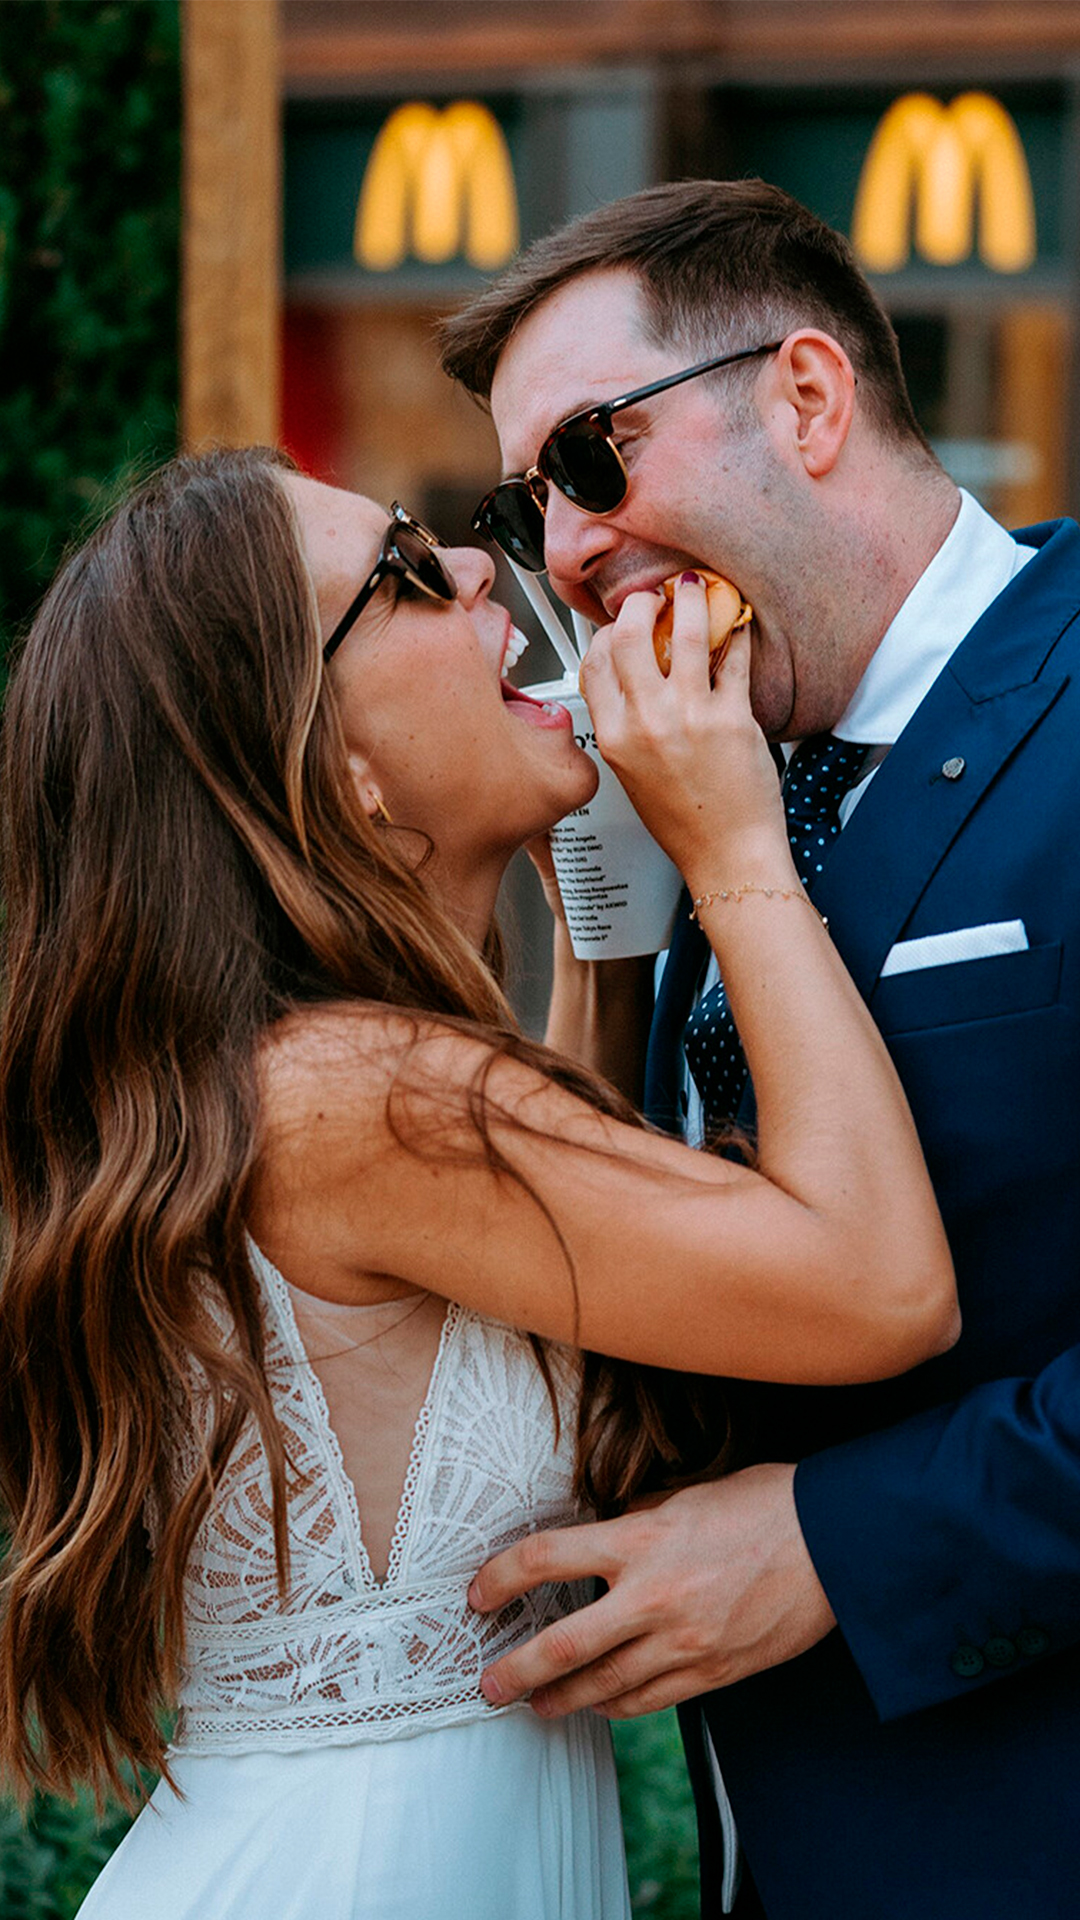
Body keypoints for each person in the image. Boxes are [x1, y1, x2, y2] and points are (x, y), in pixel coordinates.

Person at [0, 448, 953, 1920]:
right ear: (331, 766)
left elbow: (586, 1302)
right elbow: (881, 1289)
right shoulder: (356, 1095)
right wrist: (733, 840)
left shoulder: (305, 1087)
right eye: (397, 574)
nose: (470, 566)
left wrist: (608, 947)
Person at [439, 177, 1080, 1920]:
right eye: (524, 506)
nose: (561, 553)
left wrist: (834, 1545)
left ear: (805, 399)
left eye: (589, 461)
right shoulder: (705, 777)